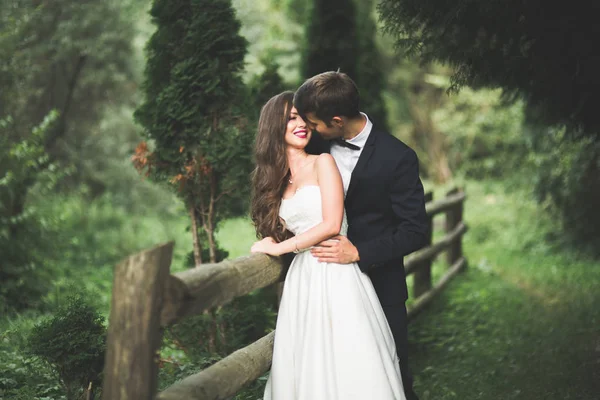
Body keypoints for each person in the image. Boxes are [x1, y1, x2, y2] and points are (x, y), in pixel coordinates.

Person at [250, 91, 406, 399]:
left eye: (302, 117)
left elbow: (331, 224)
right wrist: (273, 239)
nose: (301, 124)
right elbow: (295, 223)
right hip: (303, 281)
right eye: (291, 118)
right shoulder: (278, 182)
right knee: (307, 361)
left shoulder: (323, 162)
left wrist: (282, 248)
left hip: (335, 272)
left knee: (348, 357)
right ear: (273, 127)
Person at [294, 71, 428, 400]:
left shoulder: (398, 158)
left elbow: (415, 231)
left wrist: (359, 253)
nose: (308, 129)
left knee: (391, 377)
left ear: (337, 120)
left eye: (314, 123)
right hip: (322, 288)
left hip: (381, 286)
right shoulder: (315, 143)